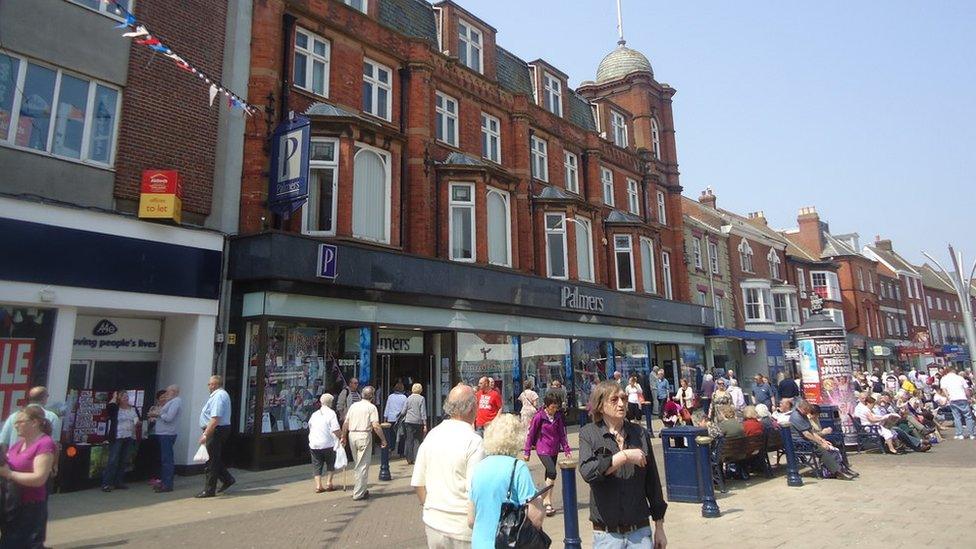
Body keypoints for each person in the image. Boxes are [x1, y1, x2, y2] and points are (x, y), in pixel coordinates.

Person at [579, 381, 668, 548]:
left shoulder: (639, 433)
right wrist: (624, 456)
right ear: (600, 405)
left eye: (624, 398)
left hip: (640, 532)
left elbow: (653, 482)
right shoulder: (588, 434)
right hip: (607, 534)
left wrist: (659, 527)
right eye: (614, 400)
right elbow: (588, 472)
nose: (621, 404)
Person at [412, 384, 485, 548]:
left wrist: (431, 507)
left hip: (433, 524)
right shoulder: (474, 442)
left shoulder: (432, 435)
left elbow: (418, 482)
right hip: (462, 529)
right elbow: (475, 490)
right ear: (472, 408)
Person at [470, 414, 545, 549]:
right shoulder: (517, 468)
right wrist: (540, 500)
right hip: (507, 543)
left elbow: (470, 519)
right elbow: (535, 518)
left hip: (479, 543)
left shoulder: (478, 468)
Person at [0, 406, 56, 549]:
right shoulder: (17, 445)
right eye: (15, 422)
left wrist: (9, 474)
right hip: (12, 505)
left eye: (20, 422)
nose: (16, 425)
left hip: (31, 507)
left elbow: (39, 479)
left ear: (35, 422)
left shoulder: (45, 443)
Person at [523, 394, 571, 517]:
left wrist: (566, 449)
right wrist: (527, 451)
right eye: (552, 407)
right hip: (542, 448)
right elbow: (531, 434)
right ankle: (542, 499)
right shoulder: (539, 417)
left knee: (549, 476)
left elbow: (562, 434)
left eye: (556, 407)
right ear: (546, 405)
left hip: (554, 449)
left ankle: (547, 501)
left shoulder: (558, 417)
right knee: (552, 472)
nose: (554, 410)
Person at [340, 386, 387, 501]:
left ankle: (362, 488)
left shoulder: (353, 406)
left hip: (352, 435)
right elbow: (375, 425)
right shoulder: (371, 407)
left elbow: (346, 422)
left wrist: (343, 436)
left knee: (358, 464)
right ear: (372, 396)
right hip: (364, 435)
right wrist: (383, 439)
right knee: (362, 465)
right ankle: (359, 493)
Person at [790, 401, 855, 480]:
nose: (808, 413)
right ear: (803, 408)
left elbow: (811, 432)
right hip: (801, 443)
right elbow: (807, 434)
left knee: (835, 443)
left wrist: (822, 440)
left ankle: (844, 468)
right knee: (821, 450)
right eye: (807, 410)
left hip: (807, 440)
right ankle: (837, 472)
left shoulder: (803, 415)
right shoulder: (796, 416)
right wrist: (821, 443)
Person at [196, 375, 235, 498]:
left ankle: (209, 490)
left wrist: (206, 434)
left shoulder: (219, 396)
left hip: (216, 430)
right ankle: (227, 479)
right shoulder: (219, 395)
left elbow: (215, 418)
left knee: (211, 461)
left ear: (215, 384)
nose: (209, 386)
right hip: (216, 429)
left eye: (210, 384)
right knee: (214, 458)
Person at [101, 390, 140, 492]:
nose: (126, 398)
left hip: (129, 436)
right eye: (123, 397)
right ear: (119, 399)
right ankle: (107, 483)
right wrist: (114, 397)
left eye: (127, 397)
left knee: (123, 460)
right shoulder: (116, 408)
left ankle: (118, 481)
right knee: (113, 460)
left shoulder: (133, 408)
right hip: (117, 436)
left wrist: (137, 423)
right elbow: (109, 407)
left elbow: (137, 418)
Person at [148, 384, 181, 493]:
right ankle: (164, 482)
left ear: (174, 392)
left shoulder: (176, 401)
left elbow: (169, 418)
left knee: (167, 460)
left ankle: (167, 484)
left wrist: (158, 414)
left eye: (168, 392)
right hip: (163, 433)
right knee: (164, 459)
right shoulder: (171, 402)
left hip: (168, 433)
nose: (166, 394)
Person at [307, 393, 341, 493]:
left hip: (314, 442)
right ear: (331, 403)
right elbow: (335, 429)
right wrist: (341, 436)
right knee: (330, 462)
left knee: (317, 464)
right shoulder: (331, 413)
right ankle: (329, 482)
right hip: (328, 443)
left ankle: (318, 485)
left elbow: (310, 426)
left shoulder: (315, 414)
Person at [939, 366, 973, 440]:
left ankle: (959, 434)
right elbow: (966, 389)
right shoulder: (960, 378)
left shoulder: (944, 378)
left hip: (953, 399)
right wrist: (969, 398)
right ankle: (972, 434)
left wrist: (948, 397)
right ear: (954, 371)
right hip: (962, 398)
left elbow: (944, 389)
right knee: (968, 416)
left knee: (957, 417)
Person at [403, 383, 428, 465]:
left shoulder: (408, 398)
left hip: (408, 421)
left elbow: (404, 410)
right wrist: (425, 424)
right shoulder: (421, 398)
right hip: (418, 422)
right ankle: (420, 457)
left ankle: (409, 458)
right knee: (419, 440)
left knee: (409, 440)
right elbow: (423, 412)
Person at [384, 383, 408, 454]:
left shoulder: (390, 396)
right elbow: (405, 409)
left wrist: (385, 417)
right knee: (402, 435)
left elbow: (387, 407)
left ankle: (391, 448)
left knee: (391, 435)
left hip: (391, 418)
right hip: (400, 419)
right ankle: (401, 452)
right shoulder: (404, 397)